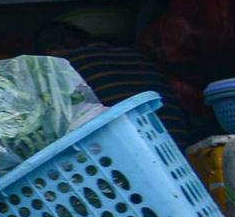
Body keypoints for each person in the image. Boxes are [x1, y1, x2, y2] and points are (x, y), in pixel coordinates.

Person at [35, 16, 194, 145]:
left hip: (128, 154)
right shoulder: (138, 56)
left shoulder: (64, 68)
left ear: (52, 52)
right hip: (177, 146)